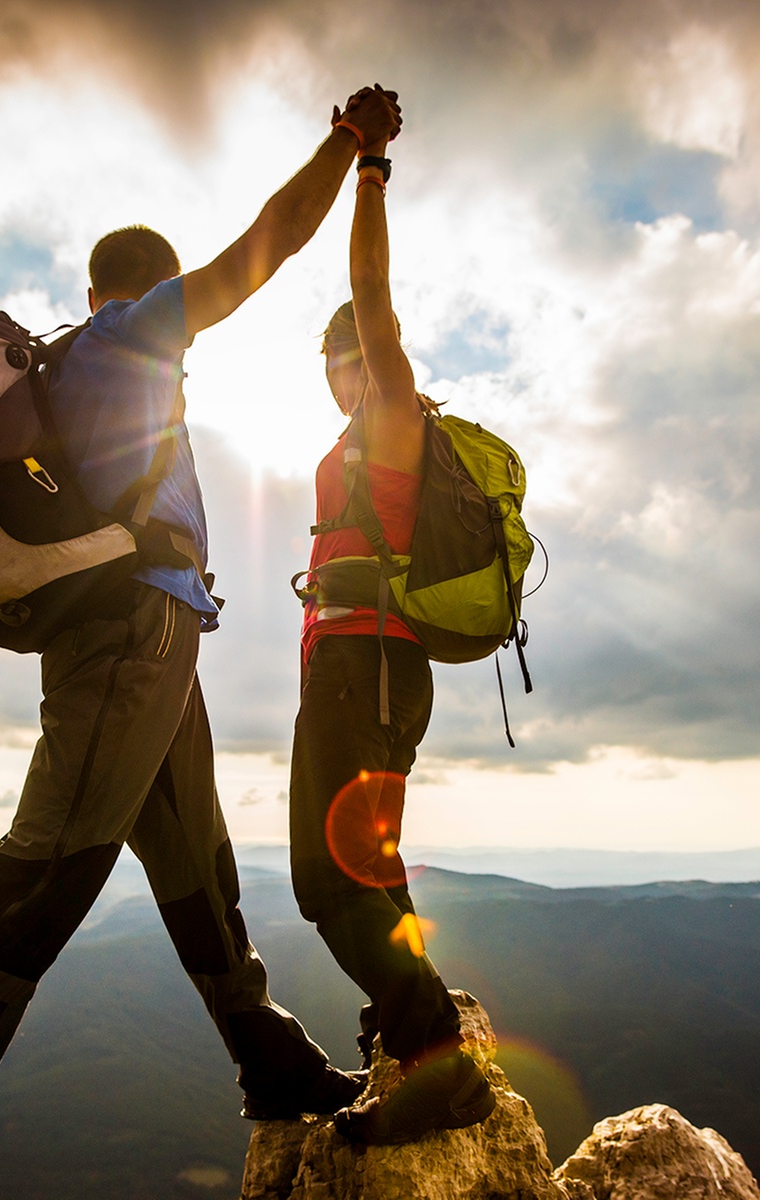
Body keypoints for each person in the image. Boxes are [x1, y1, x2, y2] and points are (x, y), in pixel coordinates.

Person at [0, 86, 405, 1200]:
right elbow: (261, 253)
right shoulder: (128, 338)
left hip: (160, 641)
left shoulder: (86, 359)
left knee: (198, 873)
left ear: (87, 287)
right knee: (46, 873)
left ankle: (268, 1062)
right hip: (131, 640)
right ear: (135, 292)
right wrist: (350, 147)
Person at [290, 117, 498, 1144]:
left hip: (363, 668)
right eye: (335, 362)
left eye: (350, 357)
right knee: (371, 869)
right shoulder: (361, 442)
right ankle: (413, 1026)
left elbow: (373, 297)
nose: (345, 371)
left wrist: (367, 172)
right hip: (368, 668)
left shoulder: (393, 415)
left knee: (323, 882)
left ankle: (437, 1071)